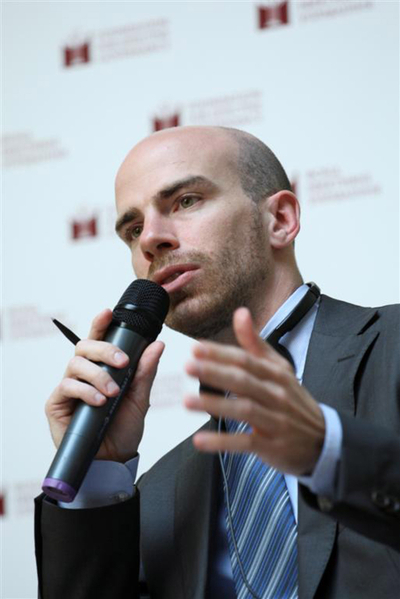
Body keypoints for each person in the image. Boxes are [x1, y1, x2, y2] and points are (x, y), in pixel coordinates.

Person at [35, 127, 400, 599]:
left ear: (280, 219)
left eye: (185, 201)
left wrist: (328, 450)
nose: (151, 240)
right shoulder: (160, 491)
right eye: (133, 229)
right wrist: (99, 475)